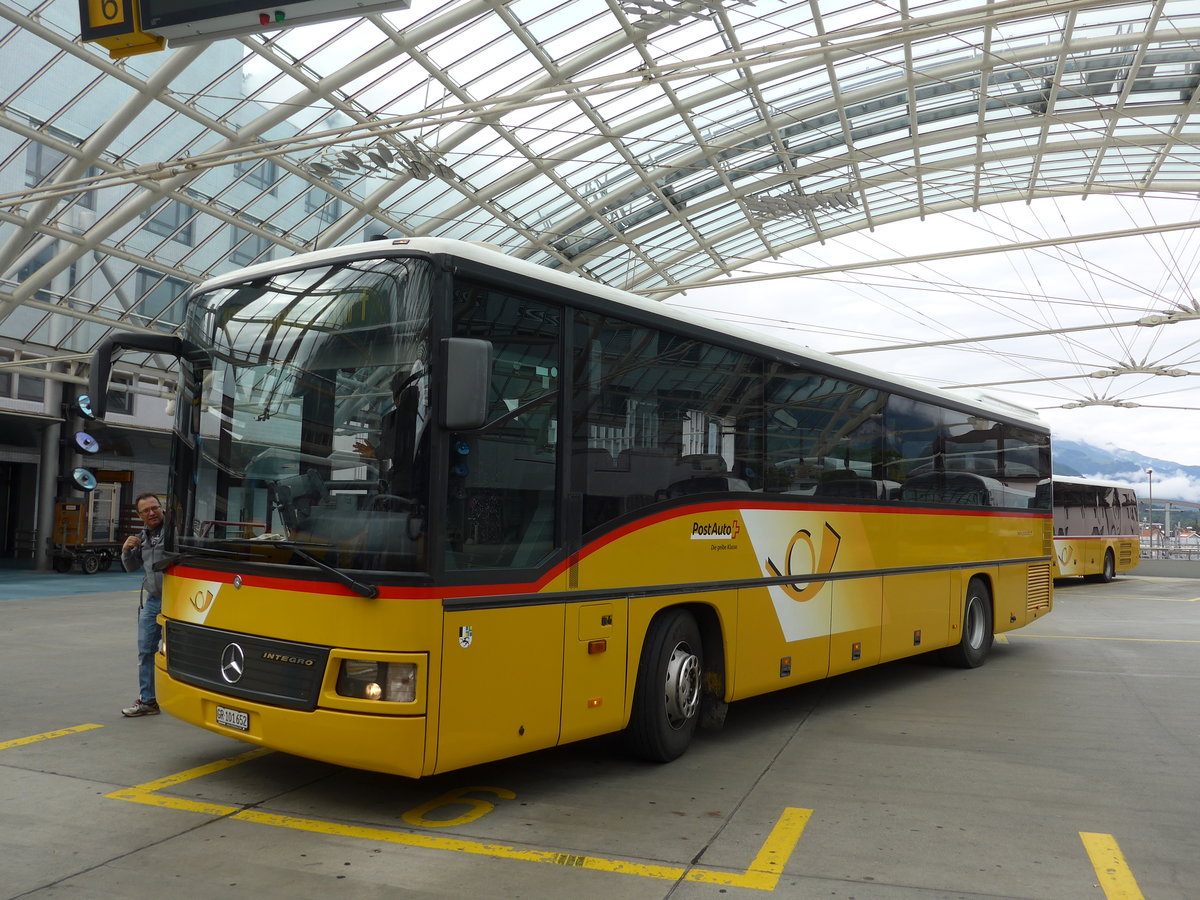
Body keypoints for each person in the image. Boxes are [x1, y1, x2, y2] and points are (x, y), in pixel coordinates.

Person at [119, 492, 168, 717]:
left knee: (181, 652)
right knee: (146, 650)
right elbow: (131, 567)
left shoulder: (177, 533)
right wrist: (126, 551)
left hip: (180, 602)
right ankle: (148, 701)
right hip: (154, 601)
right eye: (146, 511)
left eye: (154, 508)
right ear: (140, 516)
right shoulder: (143, 537)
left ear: (162, 507)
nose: (151, 513)